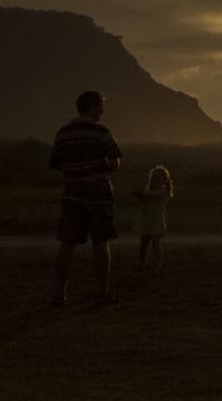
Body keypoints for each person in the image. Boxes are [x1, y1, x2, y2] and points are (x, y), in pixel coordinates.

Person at [49, 89, 123, 305]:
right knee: (101, 244)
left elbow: (54, 162)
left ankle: (59, 294)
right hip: (99, 196)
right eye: (100, 106)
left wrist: (74, 171)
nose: (102, 110)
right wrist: (103, 171)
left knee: (67, 245)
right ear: (91, 106)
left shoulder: (63, 132)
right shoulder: (101, 131)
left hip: (72, 195)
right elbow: (114, 160)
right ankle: (103, 293)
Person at [132, 164, 174, 270]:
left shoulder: (164, 191)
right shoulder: (148, 191)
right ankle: (142, 262)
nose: (156, 179)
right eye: (154, 177)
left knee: (156, 244)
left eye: (158, 177)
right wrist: (141, 198)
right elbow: (145, 201)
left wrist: (143, 195)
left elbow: (155, 195)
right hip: (147, 220)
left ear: (164, 179)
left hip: (157, 221)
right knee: (144, 244)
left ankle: (158, 264)